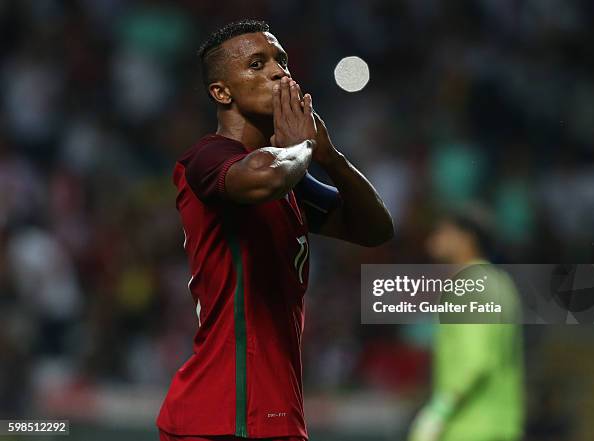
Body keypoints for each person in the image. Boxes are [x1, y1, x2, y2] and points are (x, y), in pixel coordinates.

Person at [157, 19, 394, 441]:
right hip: (222, 417)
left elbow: (375, 228)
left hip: (276, 414)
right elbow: (264, 175)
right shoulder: (207, 157)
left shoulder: (294, 180)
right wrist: (301, 147)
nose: (278, 72)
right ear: (221, 92)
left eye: (281, 60)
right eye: (256, 63)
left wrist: (331, 157)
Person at [408, 207, 524, 441]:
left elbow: (476, 359)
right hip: (501, 422)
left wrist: (438, 411)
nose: (434, 239)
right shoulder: (500, 282)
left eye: (443, 231)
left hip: (468, 426)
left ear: (466, 238)